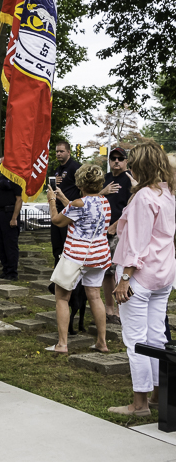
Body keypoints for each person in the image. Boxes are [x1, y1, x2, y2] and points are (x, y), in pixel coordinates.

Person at [107, 142, 176, 417]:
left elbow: (136, 243)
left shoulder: (144, 197)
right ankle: (160, 394)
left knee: (136, 340)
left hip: (139, 278)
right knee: (157, 336)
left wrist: (124, 279)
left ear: (139, 166)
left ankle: (139, 404)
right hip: (163, 275)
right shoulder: (169, 193)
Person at [46, 164, 111, 354]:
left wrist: (52, 200)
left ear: (80, 182)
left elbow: (57, 220)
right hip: (99, 256)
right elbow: (83, 212)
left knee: (62, 297)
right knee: (95, 296)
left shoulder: (78, 204)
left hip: (76, 256)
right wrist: (63, 198)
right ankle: (102, 342)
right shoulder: (104, 202)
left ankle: (62, 344)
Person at [99, 146, 133, 324]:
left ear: (126, 161)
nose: (117, 161)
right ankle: (109, 309)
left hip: (121, 232)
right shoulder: (105, 179)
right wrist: (102, 192)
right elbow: (91, 198)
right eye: (113, 158)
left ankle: (121, 311)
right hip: (102, 232)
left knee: (118, 271)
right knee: (106, 272)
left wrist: (115, 225)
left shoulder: (130, 180)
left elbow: (132, 208)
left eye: (120, 158)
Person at [50, 141, 81, 266]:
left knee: (66, 244)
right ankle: (57, 276)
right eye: (57, 151)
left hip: (69, 209)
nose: (58, 154)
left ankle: (69, 277)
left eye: (61, 151)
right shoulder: (58, 169)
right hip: (57, 208)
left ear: (68, 152)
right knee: (56, 244)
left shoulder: (75, 167)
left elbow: (82, 187)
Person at [0, 160, 22, 280]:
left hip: (9, 213)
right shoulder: (0, 178)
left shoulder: (15, 178)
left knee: (10, 244)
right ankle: (5, 269)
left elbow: (19, 199)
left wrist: (14, 218)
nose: (1, 165)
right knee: (0, 244)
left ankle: (12, 272)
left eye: (3, 163)